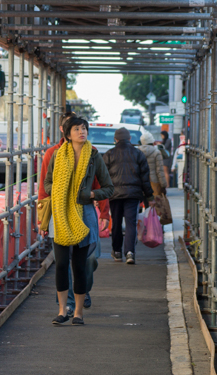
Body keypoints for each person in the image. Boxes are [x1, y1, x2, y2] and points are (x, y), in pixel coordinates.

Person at [44, 117, 113, 325]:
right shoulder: (57, 154)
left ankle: (79, 313)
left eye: (84, 128)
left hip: (84, 214)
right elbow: (48, 182)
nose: (82, 132)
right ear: (67, 134)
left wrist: (90, 194)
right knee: (61, 264)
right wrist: (56, 192)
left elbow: (109, 188)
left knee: (80, 266)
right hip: (60, 213)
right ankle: (63, 310)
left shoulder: (93, 156)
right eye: (77, 129)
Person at [102, 127, 154, 265]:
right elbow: (145, 178)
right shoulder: (138, 154)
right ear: (130, 139)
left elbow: (103, 177)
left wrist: (101, 194)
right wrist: (149, 197)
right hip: (133, 194)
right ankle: (130, 252)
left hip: (114, 194)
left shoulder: (108, 154)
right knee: (131, 223)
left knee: (116, 223)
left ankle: (117, 251)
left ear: (115, 139)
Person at [138, 131, 168, 197]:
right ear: (152, 141)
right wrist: (163, 185)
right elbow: (159, 170)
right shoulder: (156, 152)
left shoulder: (137, 152)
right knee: (155, 205)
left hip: (140, 182)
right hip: (154, 182)